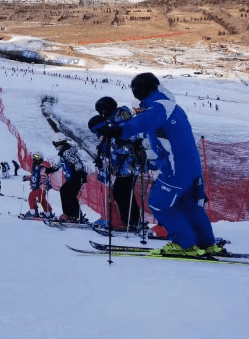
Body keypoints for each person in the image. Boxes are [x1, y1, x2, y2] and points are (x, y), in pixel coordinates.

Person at [93, 73, 218, 257]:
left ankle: (184, 245)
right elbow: (162, 136)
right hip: (188, 165)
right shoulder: (168, 106)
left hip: (177, 168)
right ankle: (205, 244)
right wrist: (145, 150)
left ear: (141, 89)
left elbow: (145, 122)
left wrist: (120, 130)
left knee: (158, 203)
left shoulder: (160, 105)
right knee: (188, 205)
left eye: (135, 89)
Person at [91, 98, 146, 232]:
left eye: (101, 111)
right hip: (123, 163)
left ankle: (133, 222)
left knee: (122, 192)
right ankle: (131, 221)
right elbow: (111, 142)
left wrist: (113, 137)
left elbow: (128, 140)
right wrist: (101, 154)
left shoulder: (121, 116)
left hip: (130, 162)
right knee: (121, 192)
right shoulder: (113, 119)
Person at [46, 138, 87, 222]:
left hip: (76, 176)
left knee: (70, 195)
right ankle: (68, 214)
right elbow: (61, 163)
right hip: (71, 177)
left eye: (56, 145)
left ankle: (77, 216)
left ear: (61, 144)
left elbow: (77, 162)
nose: (55, 147)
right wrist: (52, 169)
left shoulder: (68, 152)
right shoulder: (63, 153)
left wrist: (81, 173)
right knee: (64, 191)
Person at [22, 153, 54, 218]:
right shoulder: (35, 166)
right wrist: (28, 177)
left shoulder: (42, 167)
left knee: (31, 196)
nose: (35, 158)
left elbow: (44, 176)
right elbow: (35, 176)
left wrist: (44, 183)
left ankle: (33, 212)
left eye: (37, 157)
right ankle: (47, 213)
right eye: (34, 157)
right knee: (42, 199)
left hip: (42, 187)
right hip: (38, 186)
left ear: (40, 158)